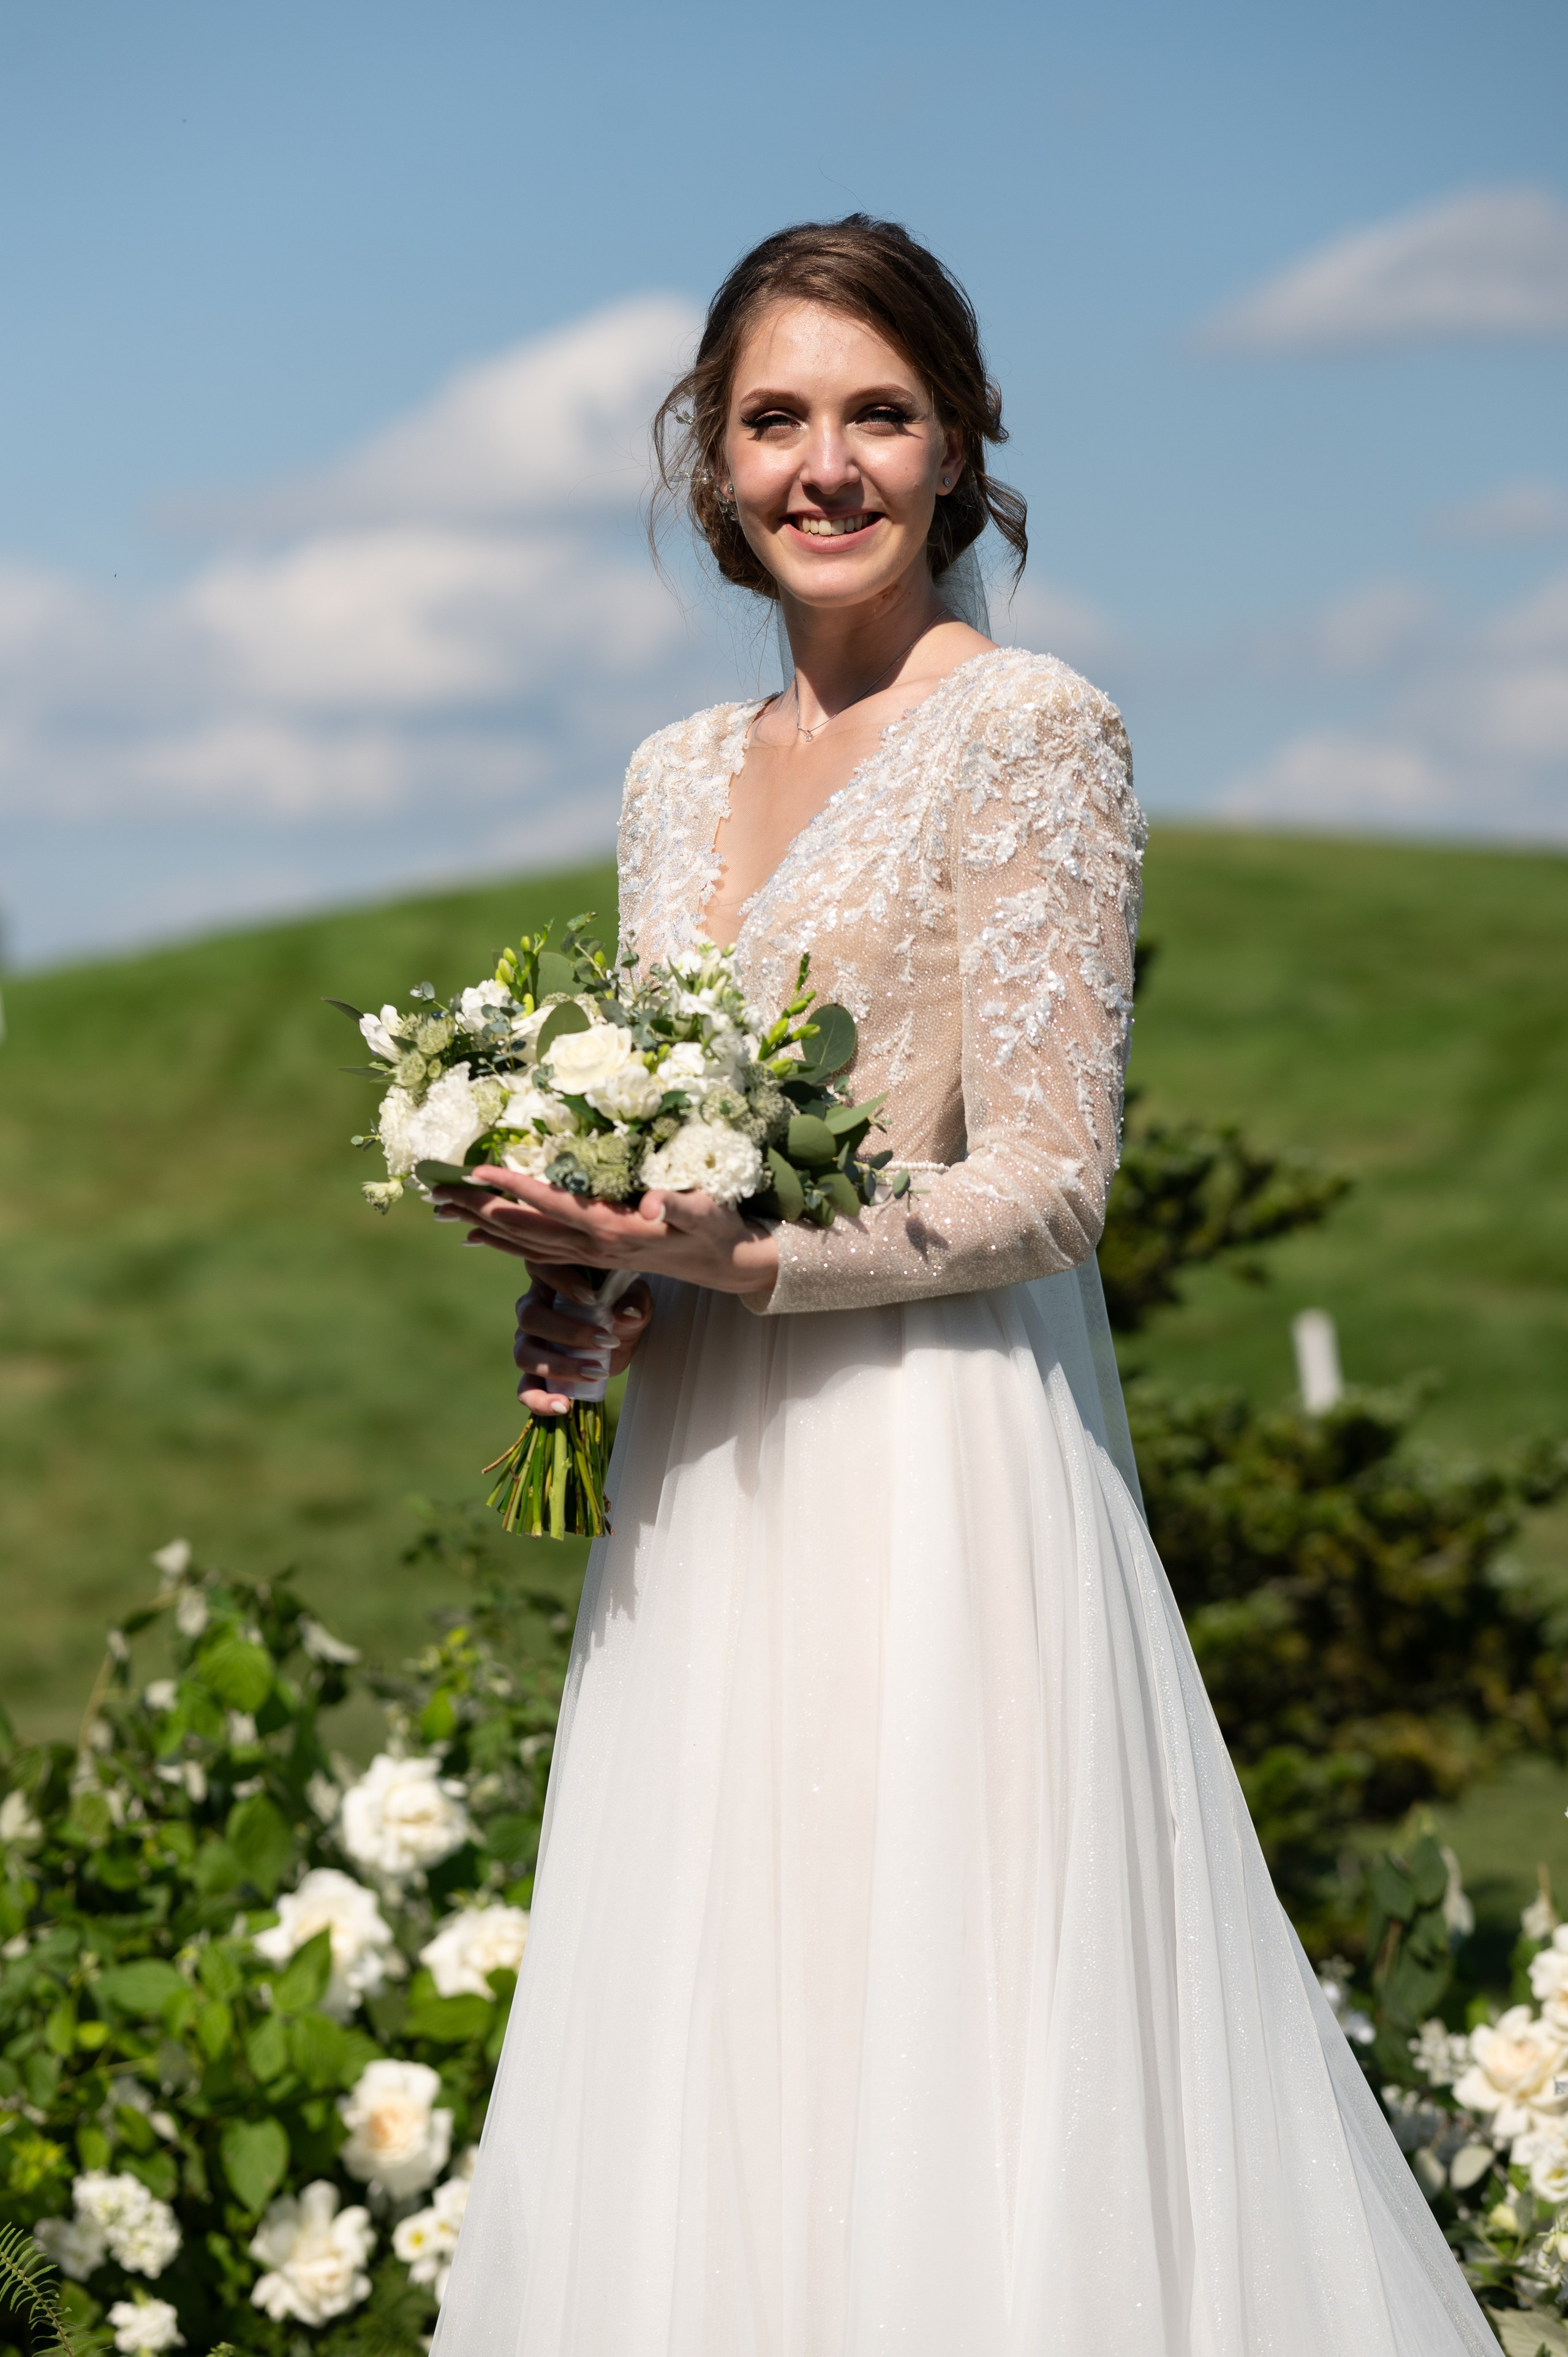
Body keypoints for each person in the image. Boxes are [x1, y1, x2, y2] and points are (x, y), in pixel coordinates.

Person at [429, 217, 1493, 2355]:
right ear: (712, 457)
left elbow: (1046, 1185)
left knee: (941, 2031)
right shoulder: (670, 779)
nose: (825, 466)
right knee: (723, 2040)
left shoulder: (1031, 731)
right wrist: (593, 1287)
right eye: (776, 419)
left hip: (929, 1479)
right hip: (704, 1496)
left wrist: (737, 1253)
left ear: (958, 445)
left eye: (879, 415)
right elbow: (674, 1158)